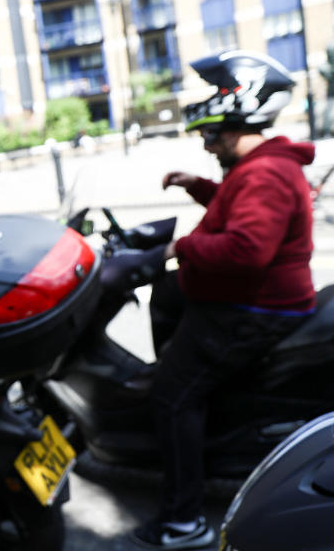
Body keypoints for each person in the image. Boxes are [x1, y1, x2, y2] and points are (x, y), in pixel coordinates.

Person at [131, 51, 316, 549]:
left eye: (213, 135)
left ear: (241, 121)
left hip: (252, 310)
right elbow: (244, 210)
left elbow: (247, 248)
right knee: (170, 302)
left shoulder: (264, 173)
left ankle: (182, 522)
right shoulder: (260, 168)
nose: (208, 145)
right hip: (249, 301)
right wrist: (202, 189)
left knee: (171, 396)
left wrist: (176, 248)